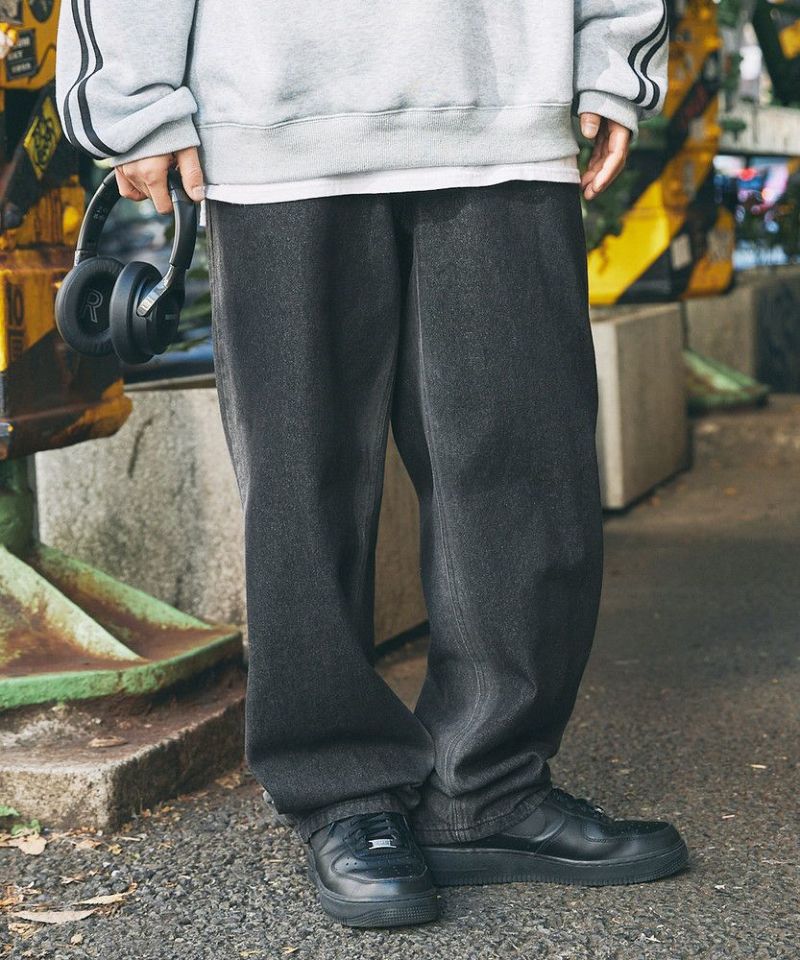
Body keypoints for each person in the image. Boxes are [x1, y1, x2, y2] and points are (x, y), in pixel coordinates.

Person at [55, 0, 688, 929]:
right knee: (303, 484)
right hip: (274, 114)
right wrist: (131, 97)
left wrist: (613, 51)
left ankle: (491, 788)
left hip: (508, 104)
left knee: (527, 469)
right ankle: (341, 791)